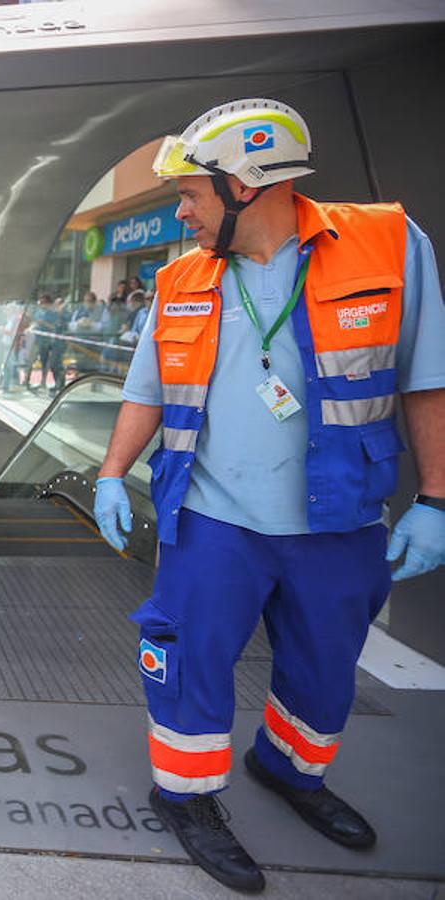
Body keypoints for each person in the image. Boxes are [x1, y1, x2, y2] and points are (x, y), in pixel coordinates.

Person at [94, 98, 445, 893]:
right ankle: (185, 796)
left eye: (192, 195)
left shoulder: (387, 244)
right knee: (187, 662)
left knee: (326, 666)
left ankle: (290, 770)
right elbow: (145, 390)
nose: (181, 213)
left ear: (246, 185)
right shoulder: (182, 278)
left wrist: (437, 499)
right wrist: (112, 472)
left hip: (341, 517)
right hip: (212, 519)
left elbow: (428, 376)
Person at [29, 293, 66, 393]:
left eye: (43, 303)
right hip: (40, 341)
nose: (41, 305)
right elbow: (34, 323)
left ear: (49, 303)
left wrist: (43, 323)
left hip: (52, 342)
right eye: (40, 303)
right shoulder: (38, 313)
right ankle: (43, 382)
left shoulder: (54, 314)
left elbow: (55, 327)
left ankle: (59, 385)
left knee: (54, 364)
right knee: (43, 362)